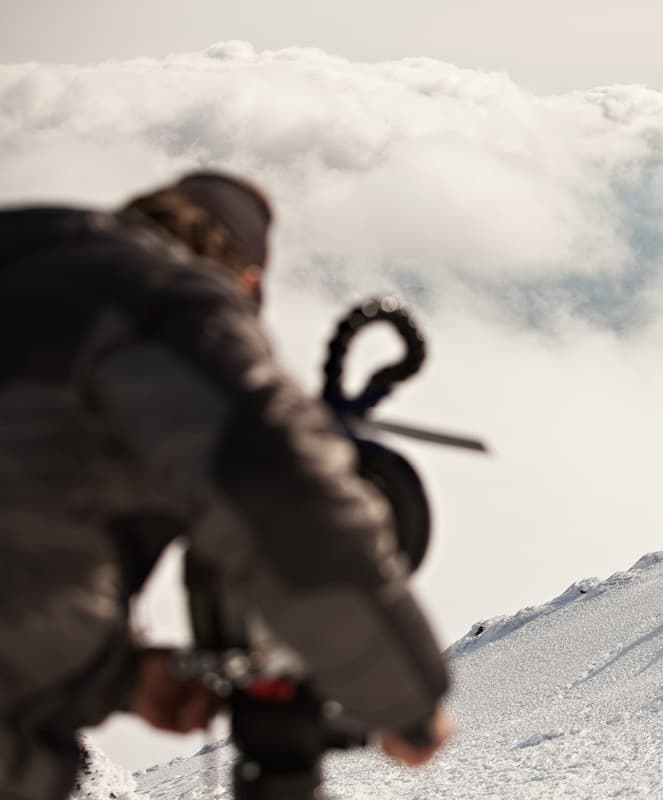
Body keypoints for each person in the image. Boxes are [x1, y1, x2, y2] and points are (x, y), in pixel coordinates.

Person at [0, 172, 451, 799]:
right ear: (247, 281)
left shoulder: (33, 276)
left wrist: (118, 678)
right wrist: (404, 700)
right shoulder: (157, 301)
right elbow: (275, 484)